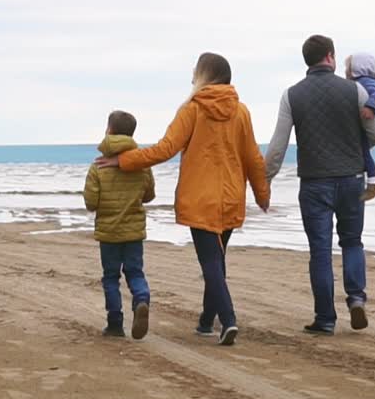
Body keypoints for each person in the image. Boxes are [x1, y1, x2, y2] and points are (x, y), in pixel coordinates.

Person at [95, 52, 270, 346]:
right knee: (217, 259)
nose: (192, 76)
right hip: (230, 198)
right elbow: (253, 158)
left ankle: (228, 320)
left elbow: (165, 149)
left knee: (211, 262)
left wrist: (122, 161)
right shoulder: (241, 112)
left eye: (195, 71)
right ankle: (206, 321)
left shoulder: (193, 109)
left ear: (205, 75)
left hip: (201, 199)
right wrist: (262, 194)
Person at [264, 35, 375, 335]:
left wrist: (265, 180)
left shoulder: (291, 95)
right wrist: (355, 149)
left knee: (320, 250)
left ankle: (325, 318)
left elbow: (278, 146)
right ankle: (356, 298)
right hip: (352, 179)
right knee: (352, 242)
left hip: (314, 183)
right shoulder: (355, 90)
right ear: (330, 57)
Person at [83, 110, 157, 339]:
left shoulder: (98, 166)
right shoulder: (142, 163)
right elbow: (149, 194)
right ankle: (141, 300)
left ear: (109, 130)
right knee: (135, 271)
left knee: (111, 277)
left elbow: (91, 202)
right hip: (134, 230)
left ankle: (115, 323)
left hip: (109, 232)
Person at [344, 52, 375, 201]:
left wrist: (371, 108)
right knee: (363, 152)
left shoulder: (366, 82)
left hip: (366, 119)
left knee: (363, 151)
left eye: (348, 67)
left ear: (357, 69)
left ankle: (373, 184)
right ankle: (371, 182)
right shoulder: (363, 82)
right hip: (362, 120)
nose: (346, 71)